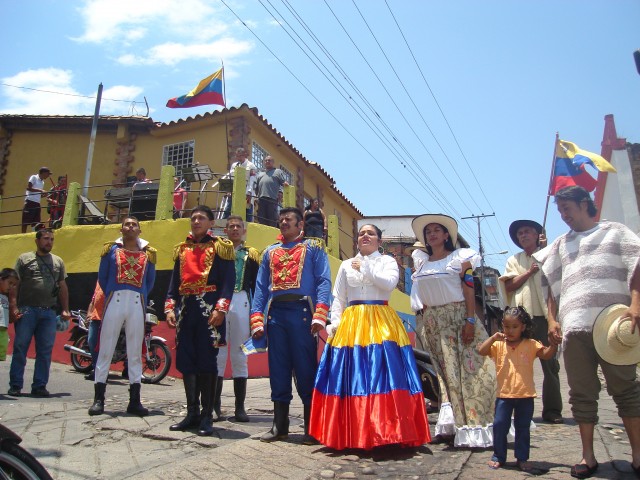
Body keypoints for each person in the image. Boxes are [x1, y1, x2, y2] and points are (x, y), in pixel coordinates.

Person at [534, 185, 640, 479]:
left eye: (567, 208)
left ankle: (638, 455)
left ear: (584, 204)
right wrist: (553, 320)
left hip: (613, 327)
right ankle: (588, 456)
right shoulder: (559, 245)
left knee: (627, 391)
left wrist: (636, 303)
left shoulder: (616, 232)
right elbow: (552, 286)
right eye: (559, 210)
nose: (563, 215)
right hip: (575, 327)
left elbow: (637, 266)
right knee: (581, 394)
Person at [309, 224, 430, 450]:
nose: (365, 236)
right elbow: (339, 299)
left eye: (370, 233)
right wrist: (334, 324)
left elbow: (389, 284)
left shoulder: (387, 262)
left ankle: (386, 432)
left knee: (383, 374)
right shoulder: (346, 265)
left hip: (381, 322)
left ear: (379, 241)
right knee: (352, 376)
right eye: (361, 233)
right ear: (357, 240)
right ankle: (353, 432)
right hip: (351, 323)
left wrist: (364, 268)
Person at [410, 214, 496, 447]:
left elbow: (469, 288)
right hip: (433, 323)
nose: (433, 234)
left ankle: (473, 427)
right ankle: (449, 426)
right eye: (428, 232)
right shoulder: (422, 263)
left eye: (438, 230)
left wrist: (469, 319)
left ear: (447, 235)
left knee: (466, 373)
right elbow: (422, 296)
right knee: (443, 374)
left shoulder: (460, 258)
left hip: (457, 318)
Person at [250, 207, 331, 444]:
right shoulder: (269, 252)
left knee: (306, 368)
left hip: (302, 313)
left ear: (300, 225)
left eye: (289, 220)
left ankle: (312, 427)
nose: (284, 223)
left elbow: (323, 280)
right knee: (278, 368)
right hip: (276, 315)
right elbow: (261, 287)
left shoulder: (314, 248)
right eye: (281, 220)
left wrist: (320, 313)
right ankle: (280, 426)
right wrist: (257, 318)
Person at [165, 206, 235, 436]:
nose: (196, 221)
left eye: (201, 218)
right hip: (186, 312)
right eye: (193, 218)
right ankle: (192, 413)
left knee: (207, 363)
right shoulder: (182, 249)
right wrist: (170, 307)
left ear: (211, 222)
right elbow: (174, 283)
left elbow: (227, 282)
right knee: (186, 362)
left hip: (209, 311)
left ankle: (207, 415)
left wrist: (221, 309)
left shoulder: (221, 248)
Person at [89, 216, 156, 417]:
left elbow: (150, 281)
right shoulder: (110, 250)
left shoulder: (149, 254)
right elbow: (103, 276)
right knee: (106, 348)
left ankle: (134, 400)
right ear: (121, 228)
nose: (130, 227)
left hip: (137, 302)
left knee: (135, 350)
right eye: (127, 224)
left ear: (140, 230)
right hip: (115, 300)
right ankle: (98, 399)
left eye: (134, 224)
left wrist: (139, 294)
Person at [477, 306, 558, 472]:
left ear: (523, 327)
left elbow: (546, 354)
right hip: (504, 395)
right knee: (500, 425)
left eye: (515, 327)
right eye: (507, 327)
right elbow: (481, 350)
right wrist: (493, 338)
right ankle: (498, 455)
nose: (510, 331)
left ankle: (522, 458)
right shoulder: (498, 345)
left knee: (523, 428)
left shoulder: (531, 344)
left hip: (525, 395)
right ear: (502, 326)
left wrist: (554, 344)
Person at [500, 219, 563, 424]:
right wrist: (529, 272)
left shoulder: (549, 255)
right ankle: (515, 410)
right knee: (515, 365)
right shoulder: (514, 260)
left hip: (545, 317)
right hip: (520, 320)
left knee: (550, 365)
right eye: (520, 233)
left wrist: (544, 254)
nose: (523, 235)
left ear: (538, 235)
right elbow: (509, 286)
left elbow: (556, 281)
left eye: (528, 231)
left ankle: (552, 410)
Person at [9, 228, 71, 397]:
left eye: (51, 239)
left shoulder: (58, 262)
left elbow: (62, 286)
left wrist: (65, 309)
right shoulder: (24, 259)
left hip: (49, 313)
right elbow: (15, 285)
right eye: (45, 238)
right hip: (27, 310)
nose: (49, 242)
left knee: (45, 350)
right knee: (20, 347)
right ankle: (15, 385)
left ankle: (39, 385)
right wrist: (13, 307)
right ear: (37, 241)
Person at [213, 215, 260, 422]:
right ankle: (214, 405)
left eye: (238, 226)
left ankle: (240, 407)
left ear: (244, 231)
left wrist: (257, 313)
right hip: (220, 302)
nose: (234, 229)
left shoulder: (251, 254)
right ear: (225, 230)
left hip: (242, 301)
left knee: (241, 354)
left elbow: (257, 284)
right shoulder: (217, 251)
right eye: (230, 226)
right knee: (218, 354)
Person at [222, 147, 257, 221]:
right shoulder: (234, 165)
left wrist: (249, 191)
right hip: (234, 190)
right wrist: (228, 189)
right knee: (228, 208)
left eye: (240, 156)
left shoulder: (251, 165)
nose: (238, 158)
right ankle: (224, 223)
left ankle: (248, 226)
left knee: (247, 209)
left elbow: (252, 179)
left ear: (245, 155)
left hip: (246, 189)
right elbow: (230, 177)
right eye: (237, 156)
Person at [255, 156, 288, 227]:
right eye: (266, 160)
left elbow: (284, 182)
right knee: (261, 218)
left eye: (269, 160)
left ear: (273, 162)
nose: (267, 162)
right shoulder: (260, 173)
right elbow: (257, 187)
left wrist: (282, 191)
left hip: (272, 198)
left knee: (271, 218)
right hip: (261, 198)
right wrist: (256, 197)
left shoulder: (277, 171)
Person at [84, 281, 105, 381]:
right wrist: (89, 314)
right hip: (95, 318)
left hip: (108, 318)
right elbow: (93, 299)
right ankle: (96, 369)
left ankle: (102, 372)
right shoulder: (99, 282)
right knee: (92, 342)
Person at [21, 167, 52, 233]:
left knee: (36, 221)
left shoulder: (42, 182)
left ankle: (34, 234)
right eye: (47, 174)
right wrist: (41, 190)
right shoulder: (34, 177)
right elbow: (28, 188)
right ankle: (23, 235)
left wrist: (43, 195)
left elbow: (38, 194)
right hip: (30, 201)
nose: (48, 176)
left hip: (37, 203)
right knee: (26, 220)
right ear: (43, 173)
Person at [0, 268, 21, 362]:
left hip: (3, 332)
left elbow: (7, 320)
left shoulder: (6, 297)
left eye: (14, 285)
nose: (11, 286)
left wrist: (14, 317)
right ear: (1, 279)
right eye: (10, 283)